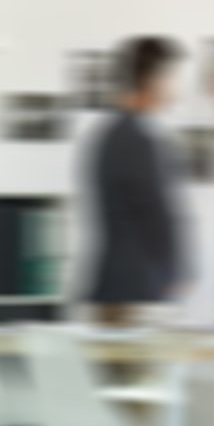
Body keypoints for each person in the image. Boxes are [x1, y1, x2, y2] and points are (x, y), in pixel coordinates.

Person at [77, 35, 192, 327]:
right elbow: (159, 213)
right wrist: (179, 272)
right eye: (173, 78)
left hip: (116, 287)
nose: (176, 89)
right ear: (153, 79)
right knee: (138, 373)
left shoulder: (105, 134)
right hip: (137, 295)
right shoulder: (138, 140)